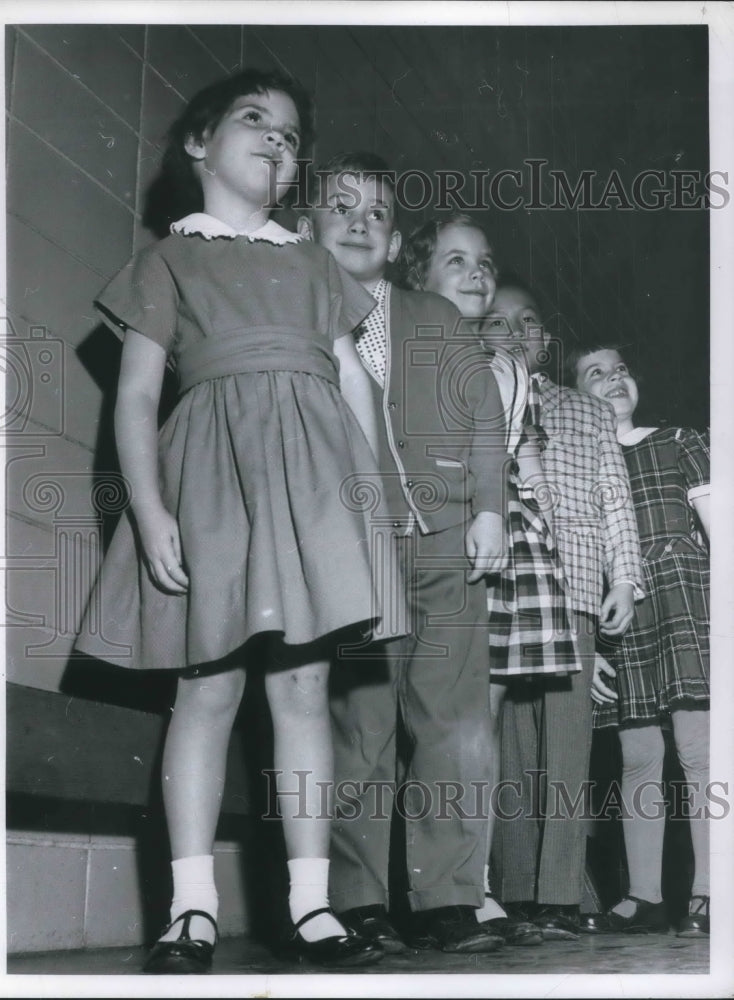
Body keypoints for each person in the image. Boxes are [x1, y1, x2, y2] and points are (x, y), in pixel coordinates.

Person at [75, 70, 401, 972]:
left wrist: (372, 500)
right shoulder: (167, 261)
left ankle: (311, 906)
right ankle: (192, 909)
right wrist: (149, 510)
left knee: (303, 691)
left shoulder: (315, 263)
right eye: (255, 119)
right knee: (208, 690)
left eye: (291, 135)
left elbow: (354, 381)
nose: (276, 140)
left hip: (315, 487)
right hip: (211, 481)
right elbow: (135, 398)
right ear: (198, 143)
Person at [298, 154, 511, 954]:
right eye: (342, 207)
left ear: (394, 244)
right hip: (353, 542)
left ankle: (447, 898)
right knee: (360, 723)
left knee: (455, 723)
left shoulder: (436, 316)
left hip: (447, 537)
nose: (360, 222)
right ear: (307, 228)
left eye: (378, 213)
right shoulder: (297, 314)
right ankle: (358, 900)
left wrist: (489, 510)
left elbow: (484, 416)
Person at [399, 217, 584, 947]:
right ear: (417, 277)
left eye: (485, 263)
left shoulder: (509, 372)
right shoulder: (406, 341)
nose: (477, 274)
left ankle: (469, 887)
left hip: (494, 536)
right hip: (419, 531)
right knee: (426, 714)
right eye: (456, 262)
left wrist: (541, 528)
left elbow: (523, 459)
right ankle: (415, 889)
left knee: (478, 719)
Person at [481, 280, 645, 941]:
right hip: (502, 585)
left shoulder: (587, 410)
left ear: (545, 340)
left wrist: (625, 580)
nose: (515, 332)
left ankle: (560, 895)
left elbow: (615, 500)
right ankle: (515, 891)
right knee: (508, 743)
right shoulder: (473, 395)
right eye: (498, 321)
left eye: (528, 322)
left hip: (573, 583)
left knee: (568, 745)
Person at [571, 344, 710, 938]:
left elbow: (721, 529)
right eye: (595, 374)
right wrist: (588, 649)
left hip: (686, 603)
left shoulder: (680, 440)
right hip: (623, 618)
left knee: (698, 747)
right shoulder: (581, 466)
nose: (614, 379)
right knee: (637, 755)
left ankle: (711, 891)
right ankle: (644, 895)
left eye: (621, 369)